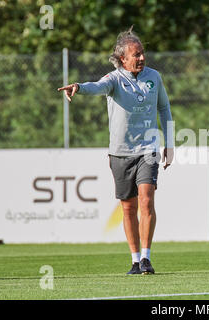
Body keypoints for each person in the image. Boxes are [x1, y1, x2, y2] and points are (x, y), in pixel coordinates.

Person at [58, 28, 174, 275]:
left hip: (148, 150)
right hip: (120, 153)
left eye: (142, 53)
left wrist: (170, 144)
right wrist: (79, 86)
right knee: (129, 207)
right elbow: (97, 87)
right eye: (136, 54)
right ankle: (134, 260)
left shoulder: (154, 77)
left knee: (146, 200)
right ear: (123, 59)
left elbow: (164, 109)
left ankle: (146, 258)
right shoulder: (114, 79)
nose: (141, 58)